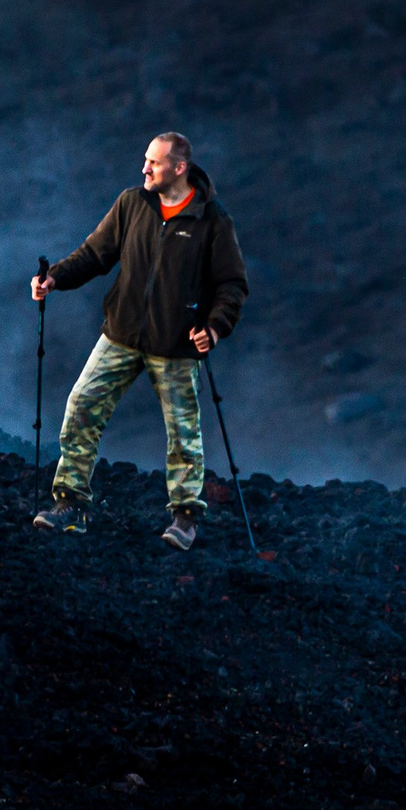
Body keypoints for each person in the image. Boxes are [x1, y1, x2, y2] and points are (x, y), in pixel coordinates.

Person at [31, 132, 249, 549]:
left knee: (183, 432)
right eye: (146, 160)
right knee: (82, 405)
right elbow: (95, 254)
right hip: (122, 333)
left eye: (154, 162)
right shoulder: (133, 203)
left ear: (180, 168)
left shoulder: (212, 220)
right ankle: (70, 506)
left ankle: (185, 518)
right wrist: (55, 277)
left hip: (176, 345)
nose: (144, 168)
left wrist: (216, 327)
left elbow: (232, 285)